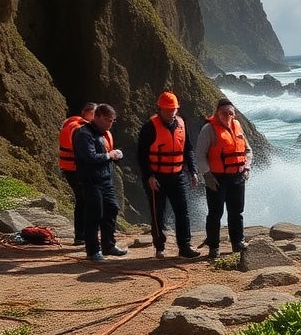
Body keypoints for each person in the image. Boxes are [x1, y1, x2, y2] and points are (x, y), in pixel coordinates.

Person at [137, 91, 200, 259]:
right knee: (158, 212)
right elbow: (141, 155)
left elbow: (188, 149)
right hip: (156, 177)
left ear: (177, 109)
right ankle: (160, 246)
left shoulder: (181, 123)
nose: (170, 113)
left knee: (182, 211)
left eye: (173, 109)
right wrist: (149, 176)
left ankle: (185, 246)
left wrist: (193, 171)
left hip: (177, 175)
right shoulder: (149, 127)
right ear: (160, 109)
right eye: (166, 109)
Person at [195, 98, 253, 259]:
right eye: (223, 113)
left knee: (236, 212)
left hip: (237, 176)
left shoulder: (237, 127)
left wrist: (246, 167)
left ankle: (238, 242)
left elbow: (248, 150)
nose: (227, 116)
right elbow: (200, 154)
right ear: (217, 114)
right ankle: (214, 246)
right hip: (216, 178)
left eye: (230, 113)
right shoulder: (209, 129)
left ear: (234, 114)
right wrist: (207, 174)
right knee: (215, 213)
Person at [72, 103, 126, 262]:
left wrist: (115, 156)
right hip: (91, 180)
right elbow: (90, 158)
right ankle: (92, 251)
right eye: (107, 120)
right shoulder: (83, 134)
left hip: (105, 179)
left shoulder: (103, 134)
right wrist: (110, 155)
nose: (110, 124)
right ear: (97, 117)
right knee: (94, 214)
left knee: (111, 210)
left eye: (112, 121)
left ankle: (109, 245)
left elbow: (105, 156)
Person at [58, 102, 97, 245]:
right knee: (85, 200)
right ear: (85, 113)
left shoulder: (75, 125)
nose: (96, 117)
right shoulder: (77, 127)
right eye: (94, 113)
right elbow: (83, 149)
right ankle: (82, 235)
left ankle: (82, 235)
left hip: (72, 168)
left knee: (83, 200)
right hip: (75, 169)